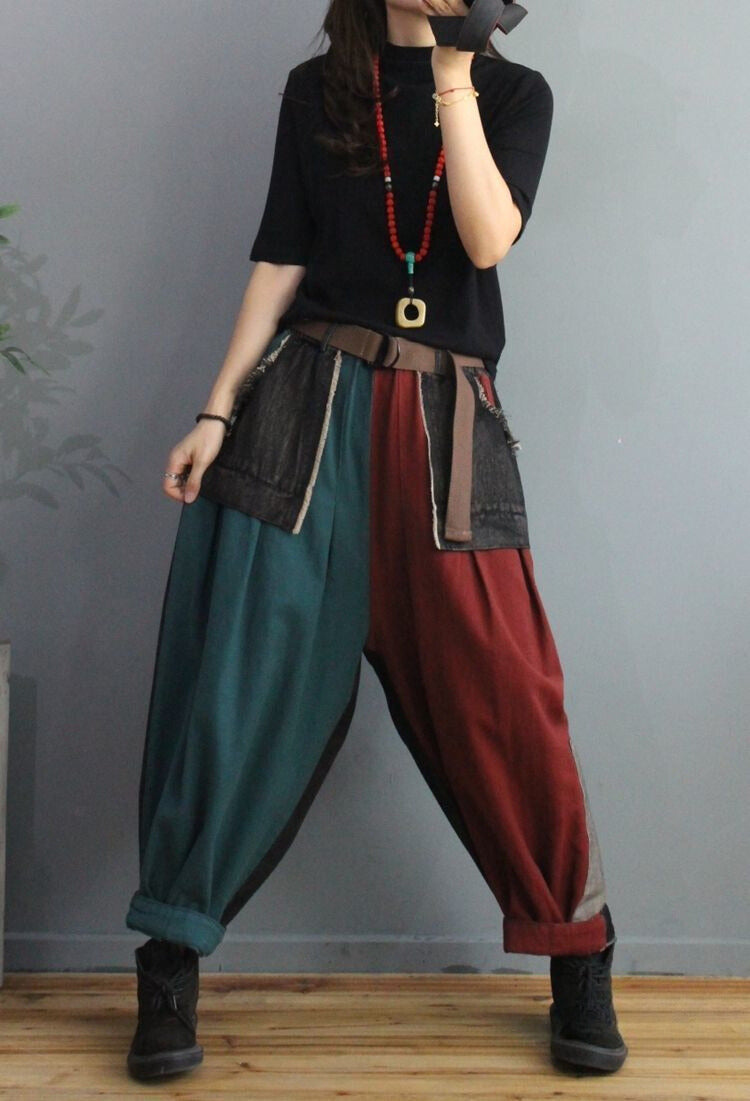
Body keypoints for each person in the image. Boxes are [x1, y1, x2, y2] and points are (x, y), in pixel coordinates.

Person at [124, 0, 628, 1082]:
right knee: (235, 690)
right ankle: (167, 962)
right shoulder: (317, 92)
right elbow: (280, 257)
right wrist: (215, 409)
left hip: (449, 427)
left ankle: (579, 953)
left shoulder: (514, 95)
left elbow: (487, 239)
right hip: (303, 416)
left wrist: (453, 72)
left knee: (506, 696)